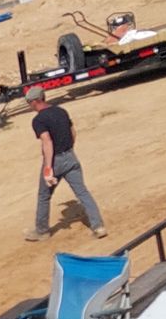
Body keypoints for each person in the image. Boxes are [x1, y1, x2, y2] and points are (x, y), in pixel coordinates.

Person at [23, 85, 108, 243]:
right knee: (82, 193)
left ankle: (42, 231)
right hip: (70, 156)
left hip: (55, 161)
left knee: (44, 196)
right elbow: (73, 132)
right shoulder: (61, 111)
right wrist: (68, 151)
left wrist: (48, 168)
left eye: (29, 102)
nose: (29, 106)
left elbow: (47, 142)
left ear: (35, 101)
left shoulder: (39, 120)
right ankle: (98, 226)